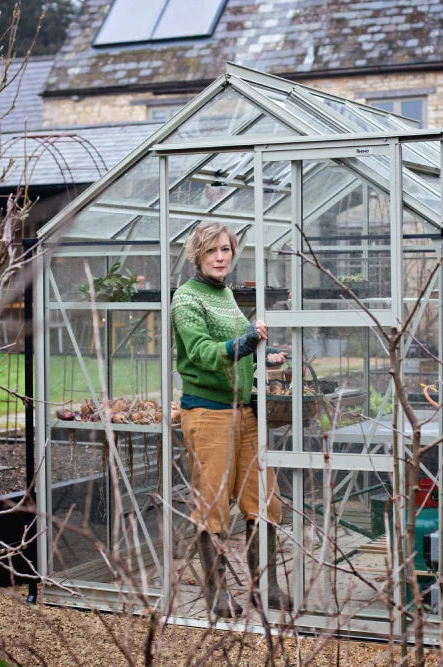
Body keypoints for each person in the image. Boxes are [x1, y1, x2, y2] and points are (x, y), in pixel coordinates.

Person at [171, 221, 292, 618]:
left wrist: (265, 353)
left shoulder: (225, 296)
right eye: (212, 251)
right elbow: (204, 353)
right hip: (208, 413)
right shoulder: (187, 299)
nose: (221, 257)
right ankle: (217, 592)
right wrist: (245, 343)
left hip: (244, 412)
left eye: (225, 249)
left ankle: (265, 588)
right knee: (213, 503)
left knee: (263, 500)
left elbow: (242, 340)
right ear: (197, 256)